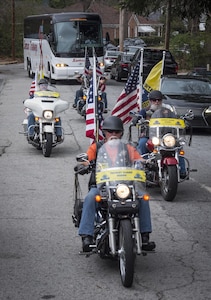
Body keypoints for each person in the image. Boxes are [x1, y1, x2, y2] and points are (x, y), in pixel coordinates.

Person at [78, 115, 156, 252]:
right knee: (91, 197)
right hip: (102, 186)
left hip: (125, 186)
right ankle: (86, 235)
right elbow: (87, 159)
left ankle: (144, 235)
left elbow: (139, 160)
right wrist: (84, 164)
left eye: (117, 132)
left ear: (121, 133)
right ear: (104, 133)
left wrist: (148, 163)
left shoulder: (128, 147)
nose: (113, 135)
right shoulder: (97, 147)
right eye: (110, 132)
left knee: (143, 197)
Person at [137, 90, 187, 178]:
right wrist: (137, 119)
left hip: (166, 137)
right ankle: (143, 168)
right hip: (150, 136)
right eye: (154, 100)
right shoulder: (145, 111)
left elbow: (176, 118)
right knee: (142, 143)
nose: (156, 102)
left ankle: (182, 170)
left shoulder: (168, 111)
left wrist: (182, 120)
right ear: (150, 100)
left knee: (178, 145)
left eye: (159, 100)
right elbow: (138, 117)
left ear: (161, 100)